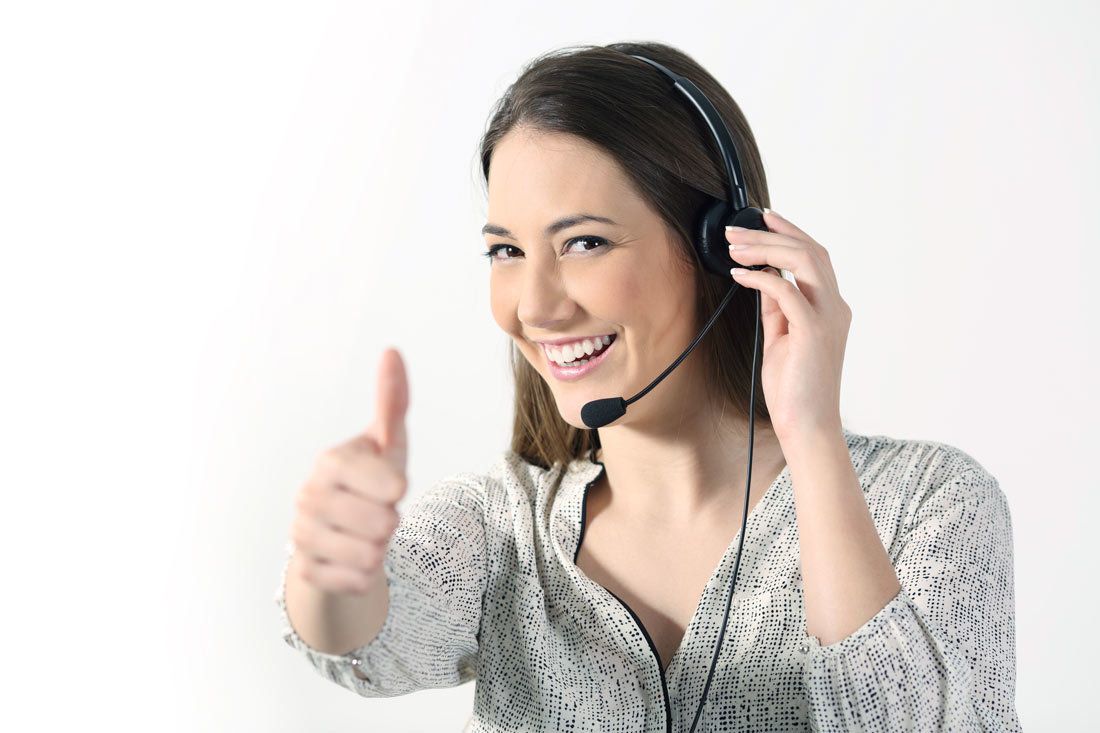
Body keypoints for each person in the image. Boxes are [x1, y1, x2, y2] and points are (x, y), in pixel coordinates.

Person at [276, 41, 1021, 731]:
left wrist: (814, 440)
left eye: (585, 242)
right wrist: (328, 570)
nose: (534, 304)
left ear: (722, 249)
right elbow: (369, 639)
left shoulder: (931, 502)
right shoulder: (501, 527)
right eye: (506, 250)